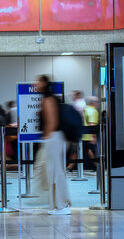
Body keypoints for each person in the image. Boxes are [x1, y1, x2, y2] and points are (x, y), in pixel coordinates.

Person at [36, 74, 71, 215]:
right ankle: (56, 204)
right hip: (55, 138)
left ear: (44, 83)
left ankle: (62, 205)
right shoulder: (49, 99)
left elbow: (52, 122)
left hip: (54, 138)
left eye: (38, 82)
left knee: (56, 172)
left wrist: (46, 137)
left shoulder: (48, 99)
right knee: (53, 172)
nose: (36, 84)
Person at [67, 90, 87, 172]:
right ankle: (70, 166)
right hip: (75, 129)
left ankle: (71, 166)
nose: (72, 96)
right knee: (73, 148)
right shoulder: (78, 103)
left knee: (75, 148)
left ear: (77, 95)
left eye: (74, 95)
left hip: (77, 129)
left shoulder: (80, 104)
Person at [83, 97, 100, 171]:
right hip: (89, 136)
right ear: (93, 102)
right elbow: (92, 124)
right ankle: (97, 166)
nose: (98, 104)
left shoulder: (85, 109)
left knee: (88, 151)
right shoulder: (93, 111)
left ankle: (96, 166)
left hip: (84, 135)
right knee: (92, 151)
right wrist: (94, 137)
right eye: (98, 102)